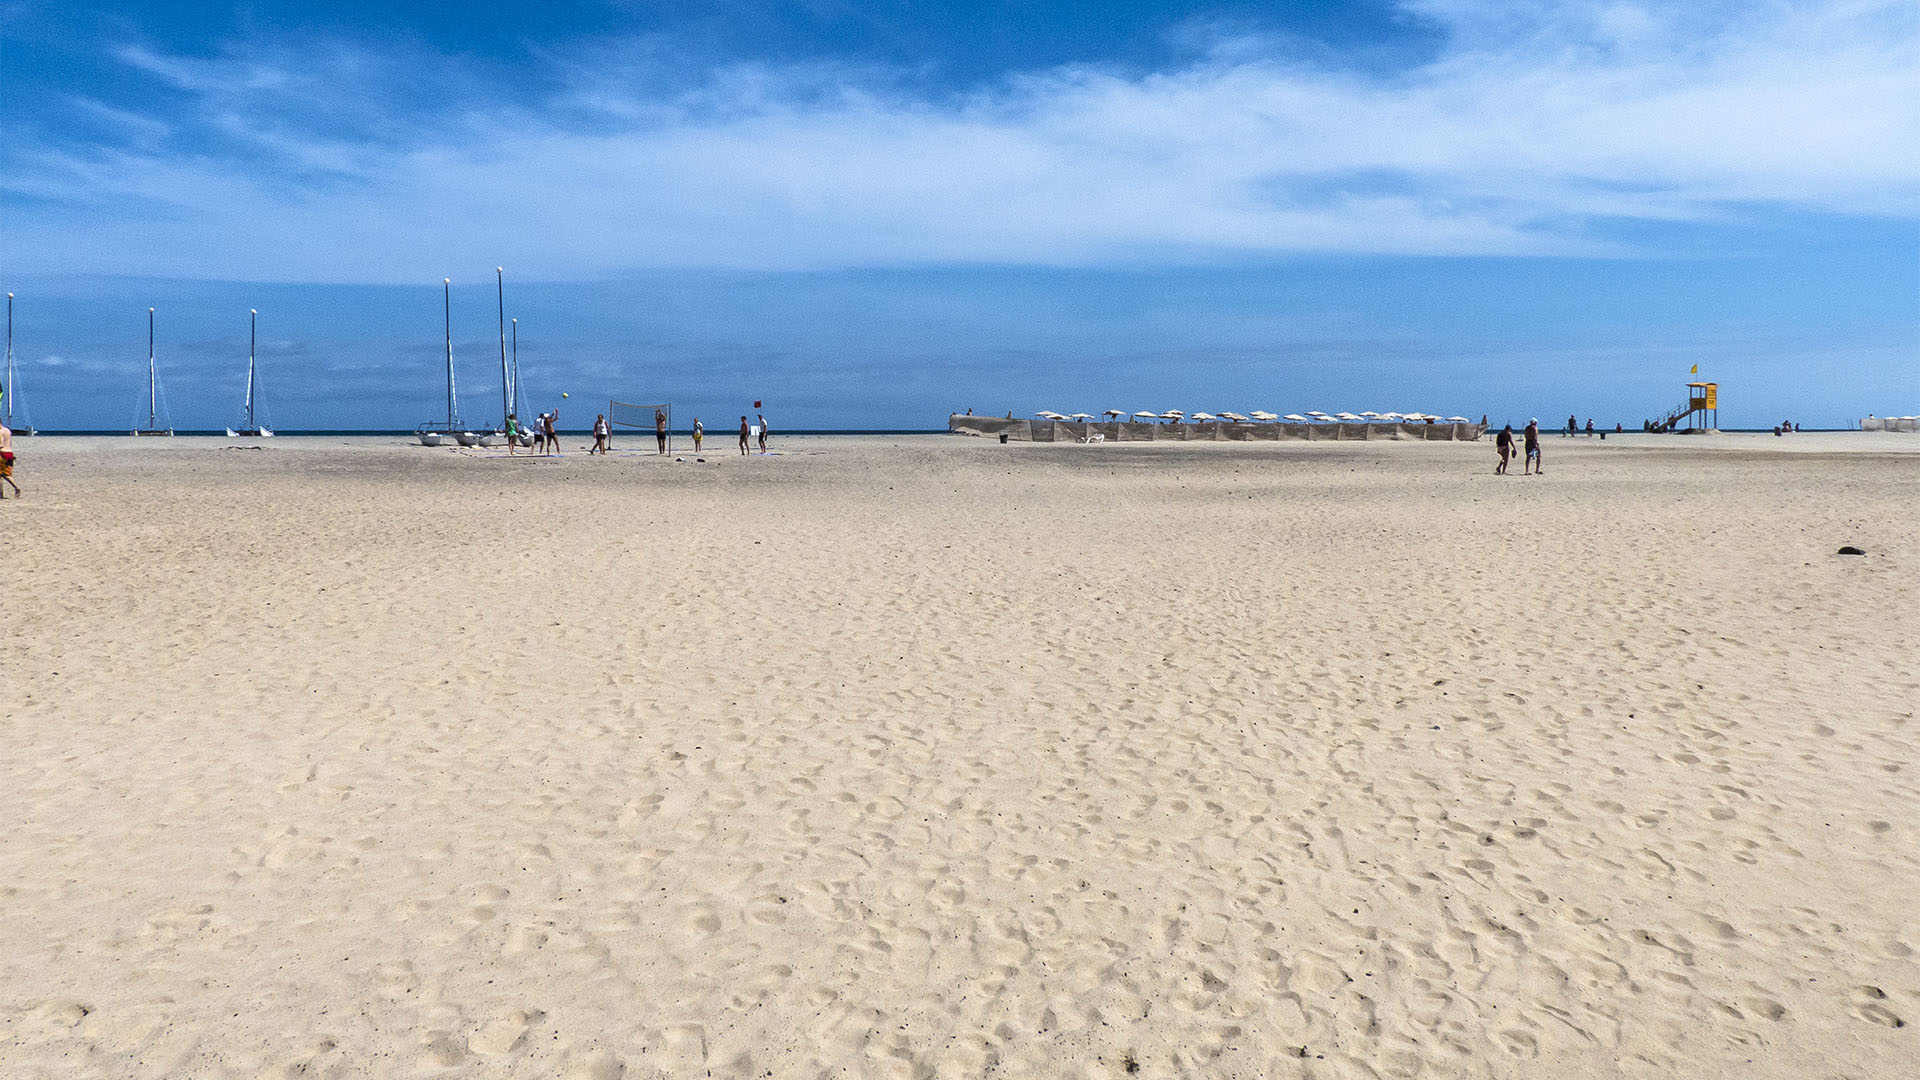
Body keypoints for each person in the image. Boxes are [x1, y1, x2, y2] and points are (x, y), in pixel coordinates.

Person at [0, 421, 18, 499]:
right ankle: (16, 487)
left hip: (2, 453)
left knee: (0, 475)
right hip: (10, 453)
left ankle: (1, 495)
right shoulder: (7, 430)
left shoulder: (0, 432)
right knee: (6, 474)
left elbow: (1, 445)